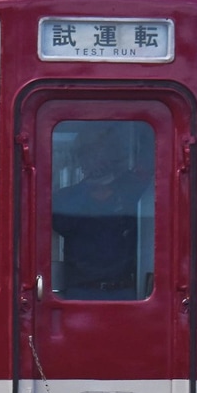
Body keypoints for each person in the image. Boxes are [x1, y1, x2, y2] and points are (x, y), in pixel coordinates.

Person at [52, 128, 149, 300]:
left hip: (123, 291)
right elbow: (61, 224)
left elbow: (151, 162)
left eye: (101, 150)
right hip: (81, 293)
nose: (96, 158)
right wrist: (88, 186)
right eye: (88, 153)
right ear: (81, 160)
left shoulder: (128, 190)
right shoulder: (66, 197)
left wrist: (116, 177)